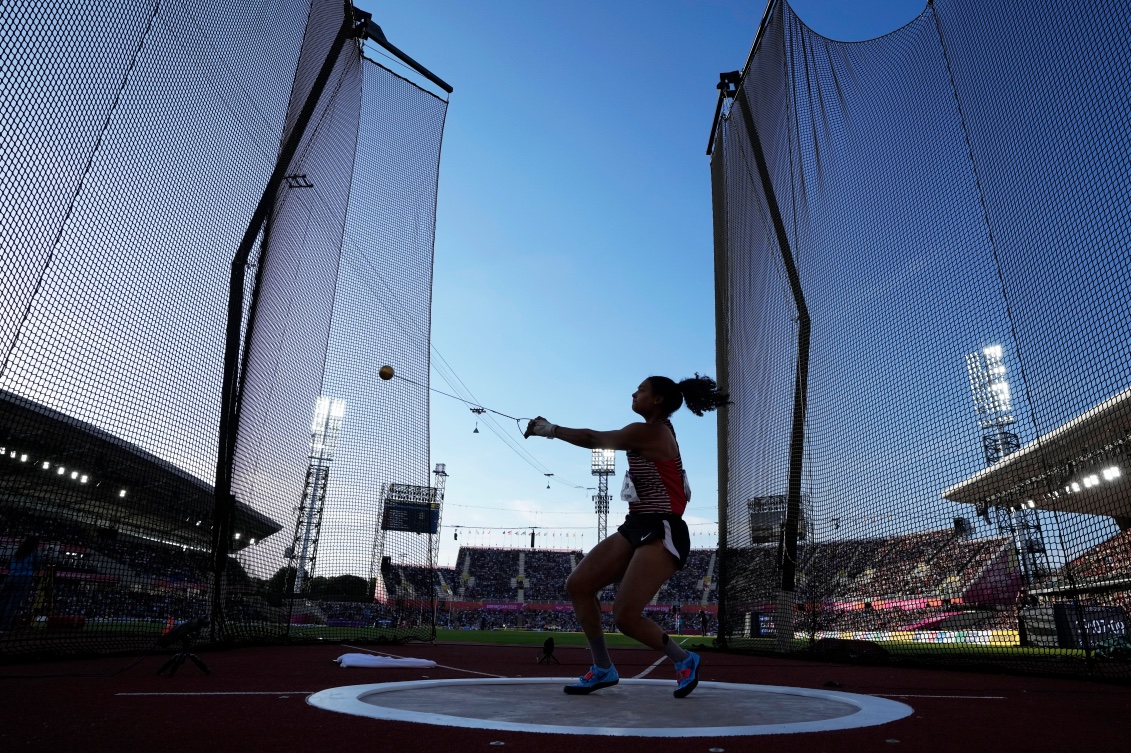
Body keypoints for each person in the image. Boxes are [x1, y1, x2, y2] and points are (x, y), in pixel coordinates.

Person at [524, 373, 728, 698]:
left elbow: (594, 438)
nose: (633, 393)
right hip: (637, 525)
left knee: (625, 616)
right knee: (578, 585)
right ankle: (603, 668)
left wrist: (549, 430)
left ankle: (684, 659)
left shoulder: (650, 432)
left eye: (642, 390)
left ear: (658, 399)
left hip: (662, 528)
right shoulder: (654, 430)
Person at [0, 535, 41, 631]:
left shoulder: (18, 551)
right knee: (12, 603)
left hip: (10, 577)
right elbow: (37, 566)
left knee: (3, 602)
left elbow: (8, 565)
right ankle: (3, 627)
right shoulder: (34, 552)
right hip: (24, 578)